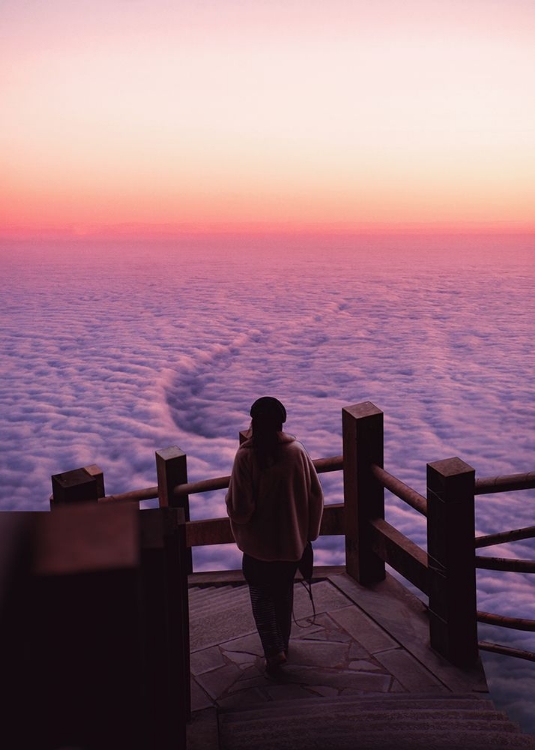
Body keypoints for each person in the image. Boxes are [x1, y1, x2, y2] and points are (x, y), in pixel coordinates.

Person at [225, 397, 324, 676]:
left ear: (253, 423)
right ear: (282, 422)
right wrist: (309, 536)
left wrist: (229, 501)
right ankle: (284, 646)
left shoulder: (246, 456)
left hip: (257, 547)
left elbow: (240, 510)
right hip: (292, 544)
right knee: (283, 594)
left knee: (260, 596)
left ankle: (273, 650)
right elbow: (316, 496)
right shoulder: (297, 452)